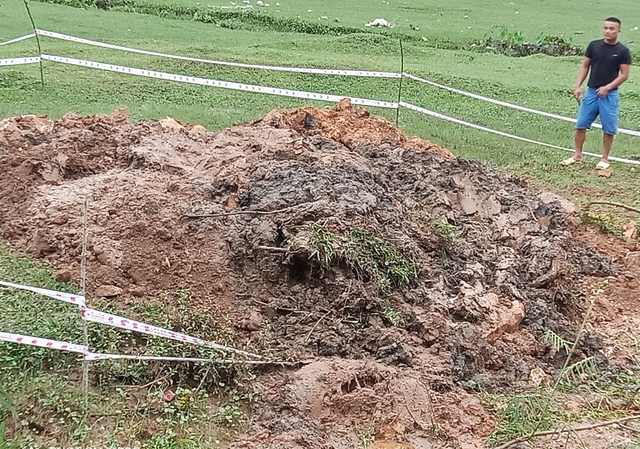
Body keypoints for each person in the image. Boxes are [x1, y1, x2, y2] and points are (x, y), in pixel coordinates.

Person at [562, 17, 631, 170]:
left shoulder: (623, 51)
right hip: (592, 92)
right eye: (605, 28)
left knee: (608, 128)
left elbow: (624, 75)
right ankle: (577, 155)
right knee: (581, 124)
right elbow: (585, 66)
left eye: (612, 29)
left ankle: (605, 158)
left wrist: (608, 87)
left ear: (618, 31)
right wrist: (578, 86)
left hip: (610, 94)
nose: (608, 31)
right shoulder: (594, 46)